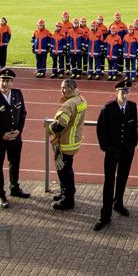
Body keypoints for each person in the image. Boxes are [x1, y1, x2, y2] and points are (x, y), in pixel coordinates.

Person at [93, 79, 138, 231]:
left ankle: (118, 203)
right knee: (109, 182)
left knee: (123, 178)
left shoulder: (132, 107)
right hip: (112, 151)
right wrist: (107, 148)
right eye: (122, 91)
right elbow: (101, 129)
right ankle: (105, 215)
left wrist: (132, 146)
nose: (125, 94)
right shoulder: (108, 108)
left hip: (127, 151)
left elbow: (133, 129)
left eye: (127, 91)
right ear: (116, 92)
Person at [0, 69, 28, 208]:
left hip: (15, 139)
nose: (5, 83)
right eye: (2, 80)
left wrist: (18, 131)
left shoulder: (17, 94)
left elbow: (22, 114)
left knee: (14, 164)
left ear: (12, 83)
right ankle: (0, 194)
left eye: (8, 81)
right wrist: (2, 135)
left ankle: (14, 187)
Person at [45, 78, 87, 210]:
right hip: (75, 139)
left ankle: (67, 200)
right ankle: (65, 192)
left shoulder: (68, 104)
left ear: (71, 88)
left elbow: (61, 124)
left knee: (64, 171)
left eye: (63, 88)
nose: (61, 90)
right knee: (67, 170)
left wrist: (50, 128)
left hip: (66, 142)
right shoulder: (81, 99)